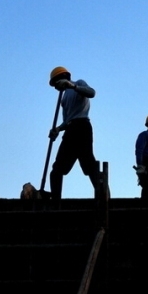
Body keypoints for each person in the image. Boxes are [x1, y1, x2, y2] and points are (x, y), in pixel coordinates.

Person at [47, 66, 100, 200]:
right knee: (57, 169)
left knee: (88, 164)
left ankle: (103, 194)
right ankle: (55, 200)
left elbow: (92, 93)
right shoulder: (63, 99)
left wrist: (72, 86)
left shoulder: (79, 83)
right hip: (71, 130)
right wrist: (58, 129)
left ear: (63, 77)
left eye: (55, 83)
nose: (55, 87)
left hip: (82, 127)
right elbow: (67, 120)